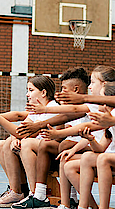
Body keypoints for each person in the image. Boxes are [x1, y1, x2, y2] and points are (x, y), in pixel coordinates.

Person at [11, 65, 115, 208]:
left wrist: (50, 118)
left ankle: (40, 193)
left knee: (56, 146)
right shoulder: (96, 107)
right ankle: (72, 204)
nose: (90, 86)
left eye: (93, 82)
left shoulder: (94, 106)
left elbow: (75, 113)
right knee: (68, 157)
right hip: (97, 150)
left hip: (103, 154)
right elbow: (94, 136)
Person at [0, 75, 62, 208]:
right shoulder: (37, 109)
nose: (28, 94)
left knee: (24, 143)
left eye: (31, 90)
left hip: (51, 157)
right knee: (2, 144)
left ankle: (36, 195)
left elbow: (22, 132)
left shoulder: (52, 108)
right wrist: (15, 137)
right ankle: (17, 191)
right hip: (39, 153)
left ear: (43, 93)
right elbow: (21, 128)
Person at [56, 81, 115, 209]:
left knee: (100, 158)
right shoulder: (106, 118)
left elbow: (82, 121)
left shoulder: (110, 117)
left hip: (108, 158)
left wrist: (56, 132)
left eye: (100, 98)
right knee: (71, 162)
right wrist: (91, 139)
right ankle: (84, 206)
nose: (97, 101)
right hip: (107, 155)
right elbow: (100, 148)